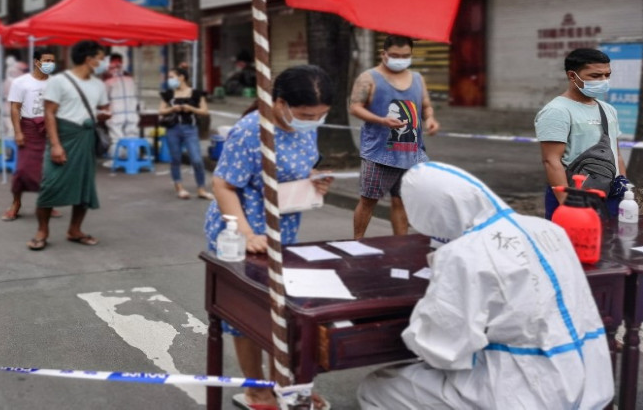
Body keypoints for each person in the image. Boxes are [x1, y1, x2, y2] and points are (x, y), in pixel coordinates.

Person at [358, 161, 614, 409]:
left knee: (377, 387)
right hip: (592, 382)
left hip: (525, 392)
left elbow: (442, 349)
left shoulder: (464, 253)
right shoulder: (547, 228)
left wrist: (418, 326)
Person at [205, 65, 334, 410]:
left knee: (286, 311)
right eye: (307, 114)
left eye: (321, 116)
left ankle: (288, 385)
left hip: (283, 231)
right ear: (280, 103)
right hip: (240, 231)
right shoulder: (252, 132)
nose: (313, 121)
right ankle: (258, 390)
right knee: (248, 313)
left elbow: (298, 166)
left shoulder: (305, 127)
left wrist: (314, 178)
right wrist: (246, 234)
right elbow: (223, 184)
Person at [349, 34, 439, 239]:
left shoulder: (417, 78)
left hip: (411, 152)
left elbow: (425, 105)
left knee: (402, 200)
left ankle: (401, 246)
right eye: (395, 55)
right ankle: (356, 242)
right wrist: (382, 120)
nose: (401, 59)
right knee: (368, 200)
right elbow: (355, 107)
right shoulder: (369, 78)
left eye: (405, 55)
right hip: (379, 153)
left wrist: (431, 119)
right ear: (384, 54)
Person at [28, 40, 111, 251]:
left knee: (84, 186)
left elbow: (102, 108)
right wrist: (55, 145)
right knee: (51, 184)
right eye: (101, 58)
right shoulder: (59, 81)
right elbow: (49, 113)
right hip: (64, 136)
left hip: (86, 137)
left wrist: (102, 114)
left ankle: (75, 230)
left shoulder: (98, 84)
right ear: (88, 59)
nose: (103, 63)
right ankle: (42, 231)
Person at [536, 47, 627, 219]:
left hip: (609, 194)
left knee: (610, 243)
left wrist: (623, 186)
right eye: (595, 76)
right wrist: (567, 204)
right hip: (574, 195)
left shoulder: (608, 109)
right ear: (572, 76)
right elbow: (551, 160)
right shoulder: (557, 111)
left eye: (607, 75)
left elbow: (617, 154)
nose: (603, 80)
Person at [3, 49, 61, 221]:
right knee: (22, 169)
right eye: (46, 60)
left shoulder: (56, 83)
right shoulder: (21, 82)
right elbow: (15, 108)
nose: (50, 64)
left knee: (50, 170)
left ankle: (48, 204)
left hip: (50, 130)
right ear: (36, 62)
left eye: (52, 60)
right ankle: (16, 203)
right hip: (28, 129)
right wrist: (18, 132)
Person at [159, 67, 213, 200]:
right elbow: (161, 111)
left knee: (196, 159)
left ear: (182, 77)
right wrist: (172, 108)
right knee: (176, 158)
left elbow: (205, 111)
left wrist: (191, 108)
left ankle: (201, 189)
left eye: (172, 77)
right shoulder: (168, 94)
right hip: (173, 129)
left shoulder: (196, 93)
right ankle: (180, 187)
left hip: (190, 129)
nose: (170, 80)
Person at [103, 53, 140, 158]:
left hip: (116, 113)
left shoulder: (108, 79)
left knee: (116, 139)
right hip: (131, 113)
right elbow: (135, 94)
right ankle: (132, 159)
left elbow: (104, 98)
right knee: (132, 136)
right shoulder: (130, 78)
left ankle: (116, 162)